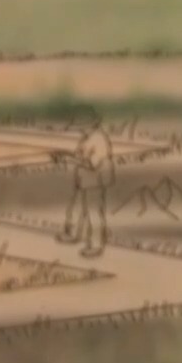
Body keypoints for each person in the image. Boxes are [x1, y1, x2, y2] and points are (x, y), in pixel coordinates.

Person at [55, 105, 114, 258]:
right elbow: (80, 156)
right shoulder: (87, 138)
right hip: (84, 178)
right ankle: (74, 233)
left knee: (93, 212)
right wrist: (67, 157)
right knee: (78, 208)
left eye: (82, 127)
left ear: (92, 125)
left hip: (95, 178)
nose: (80, 130)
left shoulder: (99, 139)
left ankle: (95, 244)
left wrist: (69, 159)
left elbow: (92, 164)